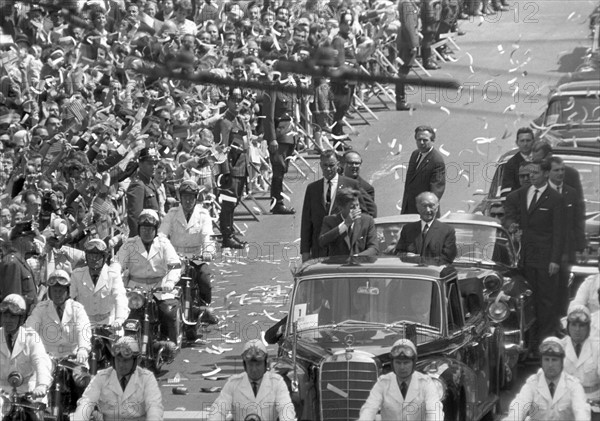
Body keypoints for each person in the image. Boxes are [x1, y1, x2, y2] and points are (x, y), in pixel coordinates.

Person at [505, 159, 565, 348]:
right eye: (529, 173)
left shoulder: (556, 199)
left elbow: (559, 233)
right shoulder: (521, 195)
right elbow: (508, 216)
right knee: (525, 301)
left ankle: (544, 343)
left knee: (545, 302)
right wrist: (511, 225)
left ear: (546, 174)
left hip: (545, 260)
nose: (531, 176)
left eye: (535, 173)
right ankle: (527, 343)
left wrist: (555, 260)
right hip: (525, 259)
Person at [117, 209, 182, 351]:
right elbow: (117, 263)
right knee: (123, 315)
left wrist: (169, 282)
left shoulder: (164, 243)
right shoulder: (130, 244)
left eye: (150, 228)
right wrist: (115, 277)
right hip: (134, 289)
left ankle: (169, 343)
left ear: (156, 229)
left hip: (159, 287)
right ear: (139, 229)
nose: (147, 231)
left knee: (168, 311)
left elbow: (175, 265)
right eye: (144, 228)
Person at [159, 180, 218, 324]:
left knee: (204, 279)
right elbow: (161, 234)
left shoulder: (203, 214)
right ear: (180, 197)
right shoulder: (172, 214)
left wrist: (208, 251)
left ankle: (204, 308)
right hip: (175, 257)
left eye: (191, 196)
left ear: (196, 197)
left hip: (196, 256)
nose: (187, 200)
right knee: (162, 283)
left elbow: (207, 236)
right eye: (184, 196)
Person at [73, 336, 164, 421]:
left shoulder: (147, 378)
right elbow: (86, 402)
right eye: (118, 360)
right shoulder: (101, 377)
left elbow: (154, 407)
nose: (121, 365)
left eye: (125, 361)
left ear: (138, 360)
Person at [503, 337, 590, 421]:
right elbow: (519, 405)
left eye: (554, 360)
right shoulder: (532, 383)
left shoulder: (573, 385)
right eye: (546, 359)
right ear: (541, 362)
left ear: (562, 362)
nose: (550, 364)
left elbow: (581, 410)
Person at [208, 339, 296, 421]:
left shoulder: (277, 383)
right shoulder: (233, 383)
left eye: (258, 364)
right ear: (244, 365)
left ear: (265, 364)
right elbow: (218, 410)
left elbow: (285, 409)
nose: (254, 369)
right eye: (250, 364)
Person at [301, 150, 365, 262]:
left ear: (338, 165)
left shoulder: (351, 184)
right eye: (325, 165)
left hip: (342, 247)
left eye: (331, 165)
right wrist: (305, 251)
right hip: (319, 249)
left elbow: (363, 213)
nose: (328, 169)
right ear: (320, 165)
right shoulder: (312, 189)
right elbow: (306, 221)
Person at [358, 339, 443, 421]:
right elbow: (369, 409)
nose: (402, 367)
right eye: (398, 362)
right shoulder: (383, 383)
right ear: (392, 363)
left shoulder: (426, 383)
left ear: (413, 363)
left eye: (406, 363)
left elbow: (435, 412)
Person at [214, 88, 252, 249]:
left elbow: (245, 146)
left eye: (239, 100)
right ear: (228, 101)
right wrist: (225, 172)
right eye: (234, 100)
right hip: (231, 168)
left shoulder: (241, 120)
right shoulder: (224, 122)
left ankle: (229, 233)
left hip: (241, 168)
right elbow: (221, 148)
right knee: (228, 204)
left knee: (234, 202)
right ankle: (227, 236)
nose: (237, 103)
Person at [548, 156, 586, 315]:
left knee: (563, 288)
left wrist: (580, 247)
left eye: (562, 170)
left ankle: (561, 321)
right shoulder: (542, 193)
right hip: (546, 249)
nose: (560, 173)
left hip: (566, 250)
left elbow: (578, 221)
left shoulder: (572, 192)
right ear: (547, 172)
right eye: (556, 170)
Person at [26, 270, 91, 361]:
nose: (57, 294)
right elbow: (30, 329)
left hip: (73, 358)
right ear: (49, 292)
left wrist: (83, 348)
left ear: (67, 291)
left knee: (85, 374)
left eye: (61, 291)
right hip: (47, 358)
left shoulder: (77, 308)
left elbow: (83, 330)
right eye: (54, 291)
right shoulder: (41, 308)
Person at [0, 294, 52, 397]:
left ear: (21, 318)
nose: (8, 320)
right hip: (2, 394)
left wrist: (42, 385)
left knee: (37, 412)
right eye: (5, 315)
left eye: (13, 316)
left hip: (28, 393)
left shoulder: (31, 337)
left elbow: (40, 360)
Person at [70, 239, 129, 328]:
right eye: (91, 256)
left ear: (105, 257)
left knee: (122, 341)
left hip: (109, 322)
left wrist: (119, 319)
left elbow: (120, 297)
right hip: (84, 322)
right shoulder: (77, 274)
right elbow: (68, 297)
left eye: (98, 256)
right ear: (86, 257)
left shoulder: (112, 275)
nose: (94, 259)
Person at [262, 79, 297, 215]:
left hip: (289, 136)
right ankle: (277, 203)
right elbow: (268, 116)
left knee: (282, 170)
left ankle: (277, 202)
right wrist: (272, 138)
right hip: (279, 136)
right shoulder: (272, 89)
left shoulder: (289, 90)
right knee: (278, 170)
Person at [394, 192, 457, 265]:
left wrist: (417, 260)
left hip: (433, 274)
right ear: (417, 207)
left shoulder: (447, 231)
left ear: (437, 207)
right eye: (424, 206)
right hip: (411, 274)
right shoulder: (408, 229)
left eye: (431, 206)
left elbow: (447, 258)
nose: (428, 210)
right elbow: (399, 254)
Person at [319, 188, 379, 257]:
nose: (357, 210)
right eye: (352, 207)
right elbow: (322, 242)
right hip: (337, 266)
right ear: (341, 208)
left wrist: (357, 257)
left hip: (360, 265)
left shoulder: (367, 220)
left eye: (357, 205)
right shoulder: (329, 220)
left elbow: (374, 248)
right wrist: (345, 225)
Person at [401, 126, 446, 215]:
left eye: (425, 140)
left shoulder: (437, 161)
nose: (421, 143)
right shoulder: (415, 154)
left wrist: (427, 210)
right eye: (419, 139)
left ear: (432, 140)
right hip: (409, 208)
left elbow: (436, 191)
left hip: (425, 212)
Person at [560, 304, 600, 401]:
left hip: (593, 400)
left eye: (581, 325)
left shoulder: (597, 346)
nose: (577, 329)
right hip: (566, 401)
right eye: (573, 325)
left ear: (588, 327)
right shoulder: (559, 346)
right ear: (568, 326)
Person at [0, 221, 38, 312]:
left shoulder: (21, 261)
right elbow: (12, 301)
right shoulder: (12, 262)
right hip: (19, 320)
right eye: (30, 238)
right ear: (21, 240)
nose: (33, 241)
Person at [126, 147, 160, 238]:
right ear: (140, 164)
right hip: (143, 238)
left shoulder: (150, 182)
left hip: (152, 234)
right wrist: (140, 240)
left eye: (155, 163)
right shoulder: (138, 185)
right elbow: (134, 218)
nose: (153, 166)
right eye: (149, 163)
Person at [395, 0, 419, 111]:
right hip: (407, 42)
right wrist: (413, 43)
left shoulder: (408, 3)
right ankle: (400, 100)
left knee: (404, 70)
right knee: (403, 70)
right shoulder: (407, 4)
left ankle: (401, 99)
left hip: (407, 40)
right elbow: (408, 25)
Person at [500, 127, 535, 196]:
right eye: (522, 141)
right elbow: (506, 191)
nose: (525, 144)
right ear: (517, 142)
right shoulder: (510, 164)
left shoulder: (541, 160)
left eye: (528, 140)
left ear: (533, 141)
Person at [342, 151, 377, 217]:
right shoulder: (335, 181)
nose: (354, 166)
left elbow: (371, 212)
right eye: (351, 163)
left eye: (357, 163)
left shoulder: (366, 188)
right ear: (342, 164)